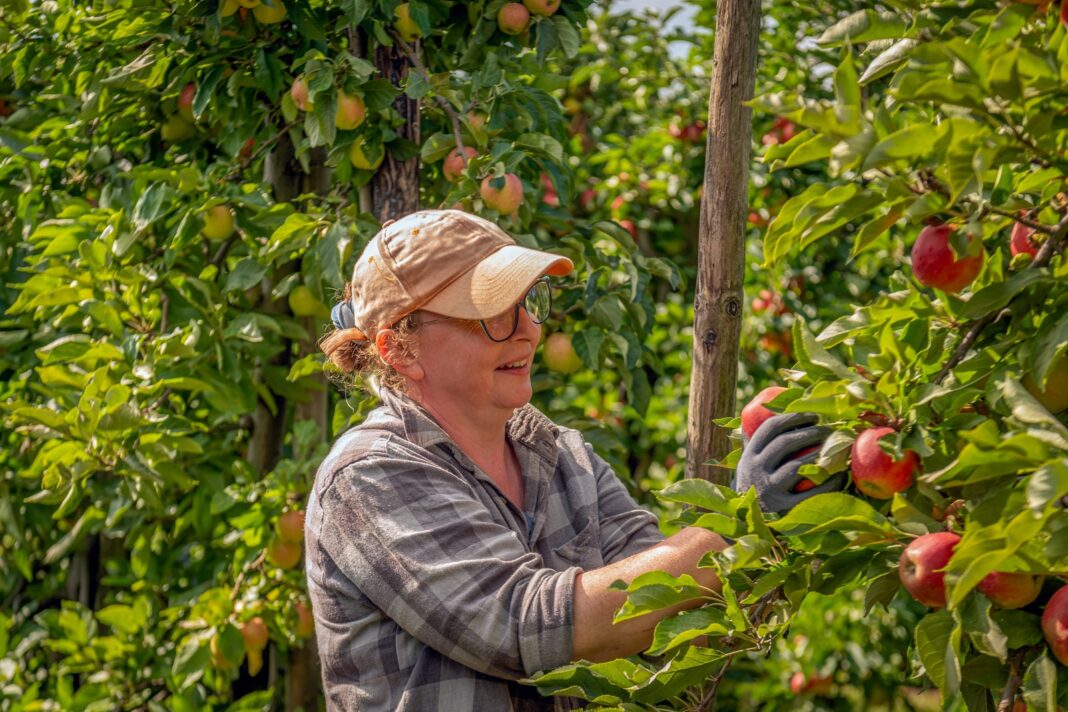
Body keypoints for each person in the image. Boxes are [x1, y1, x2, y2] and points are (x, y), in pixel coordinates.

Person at [305, 209, 841, 711]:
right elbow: (523, 626)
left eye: (528, 302)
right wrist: (738, 531)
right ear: (400, 348)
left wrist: (793, 513)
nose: (529, 330)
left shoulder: (562, 455)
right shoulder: (370, 476)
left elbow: (674, 614)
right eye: (491, 313)